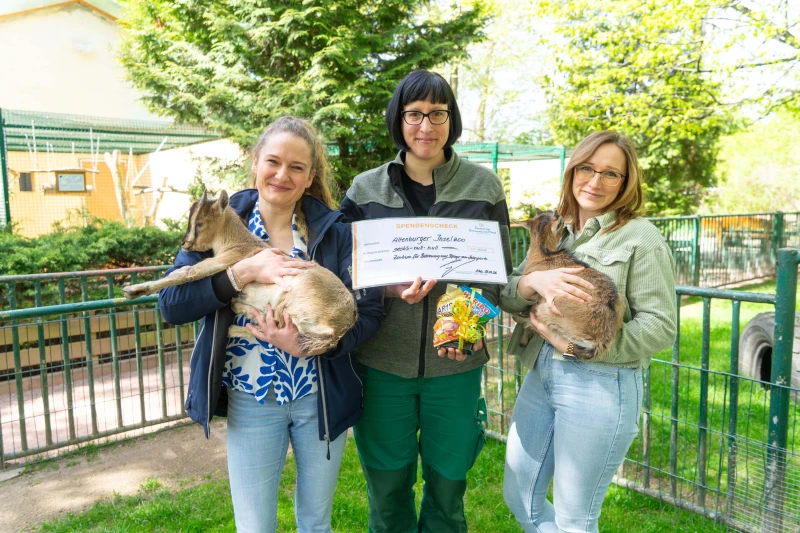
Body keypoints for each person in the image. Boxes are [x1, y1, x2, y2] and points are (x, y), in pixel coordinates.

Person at [158, 116, 383, 533]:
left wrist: (319, 345)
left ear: (310, 176)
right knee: (255, 526)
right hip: (253, 398)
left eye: (297, 167)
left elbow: (368, 314)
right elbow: (172, 304)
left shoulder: (334, 234)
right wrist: (238, 274)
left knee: (316, 523)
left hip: (321, 396)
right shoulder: (219, 222)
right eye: (274, 162)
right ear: (255, 161)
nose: (283, 175)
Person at [340, 69, 512, 533]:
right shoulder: (364, 190)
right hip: (381, 367)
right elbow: (344, 274)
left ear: (451, 119)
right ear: (398, 120)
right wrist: (386, 288)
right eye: (414, 114)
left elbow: (498, 276)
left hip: (455, 366)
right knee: (388, 494)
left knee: (448, 492)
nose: (426, 126)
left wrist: (466, 322)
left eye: (438, 114)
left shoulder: (484, 187)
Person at [500, 130, 677, 533]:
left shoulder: (641, 237)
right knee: (520, 496)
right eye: (587, 168)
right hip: (542, 374)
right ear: (573, 170)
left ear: (626, 182)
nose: (595, 182)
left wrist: (585, 349)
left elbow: (661, 325)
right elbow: (511, 294)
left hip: (601, 382)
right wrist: (531, 285)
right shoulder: (555, 228)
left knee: (575, 519)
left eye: (610, 174)